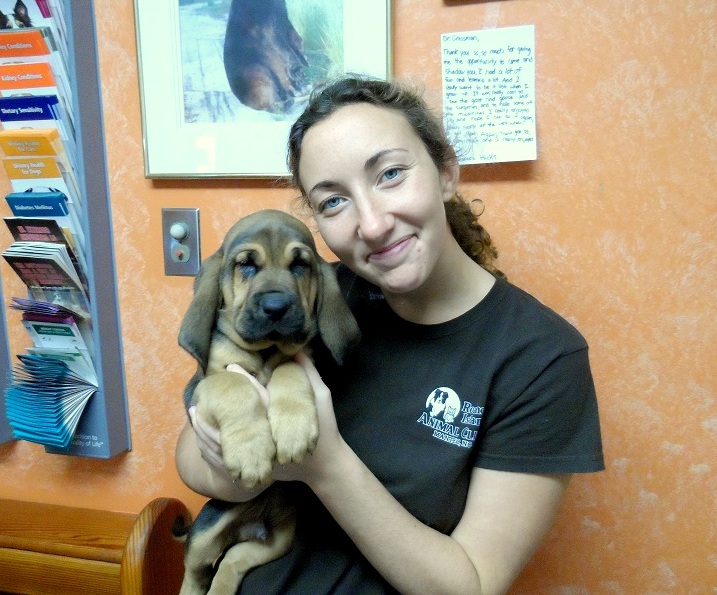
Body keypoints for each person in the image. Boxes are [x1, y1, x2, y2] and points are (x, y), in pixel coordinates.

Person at [175, 76, 604, 594]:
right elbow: (191, 454)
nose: (373, 224)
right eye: (333, 202)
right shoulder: (314, 297)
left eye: (391, 174)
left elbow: (471, 585)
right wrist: (245, 463)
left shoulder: (539, 357)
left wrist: (324, 466)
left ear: (446, 172)